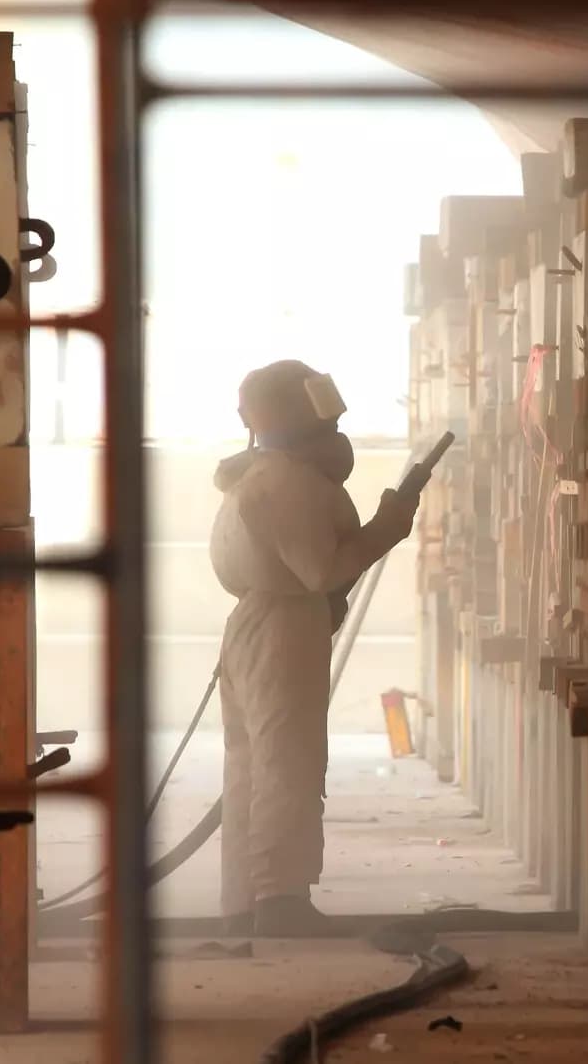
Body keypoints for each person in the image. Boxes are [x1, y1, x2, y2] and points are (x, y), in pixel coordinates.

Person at [209, 360, 419, 936]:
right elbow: (322, 570)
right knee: (289, 762)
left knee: (252, 765)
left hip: (260, 623)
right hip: (283, 627)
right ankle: (281, 901)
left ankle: (246, 902)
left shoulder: (260, 475)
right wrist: (387, 527)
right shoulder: (288, 484)